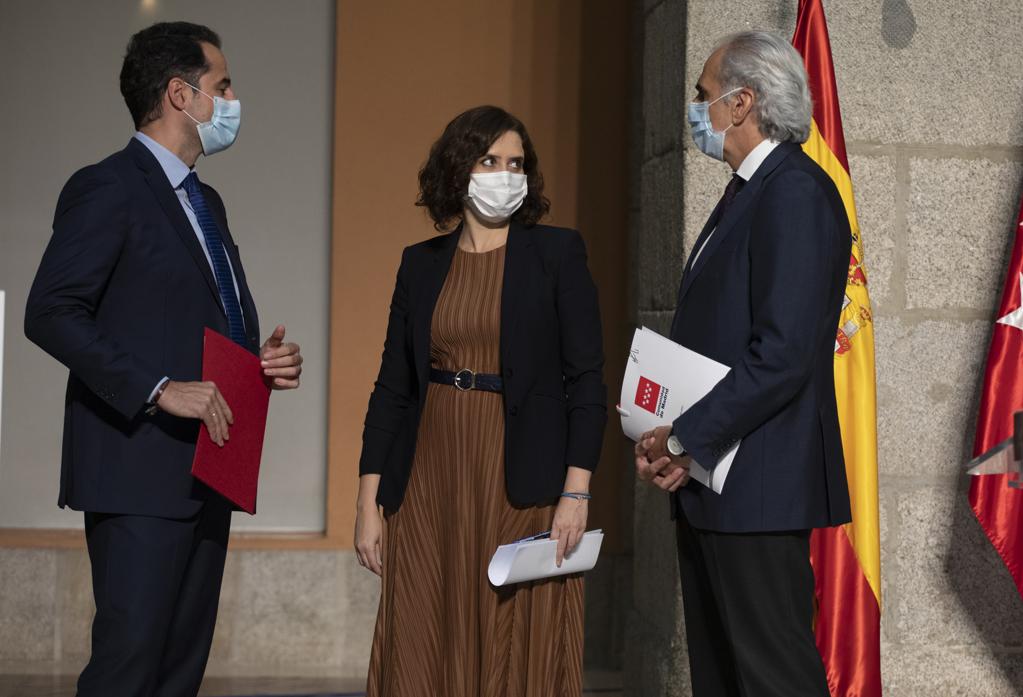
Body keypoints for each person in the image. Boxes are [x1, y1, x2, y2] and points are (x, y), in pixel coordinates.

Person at [24, 21, 303, 697]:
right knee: (129, 668)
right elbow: (50, 311)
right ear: (181, 93)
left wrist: (257, 362)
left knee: (179, 673)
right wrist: (157, 387)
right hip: (138, 471)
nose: (234, 100)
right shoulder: (108, 187)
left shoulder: (207, 201)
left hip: (209, 468)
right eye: (223, 85)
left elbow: (193, 318)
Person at [354, 105, 607, 697]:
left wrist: (576, 491)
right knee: (422, 634)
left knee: (513, 642)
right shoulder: (419, 265)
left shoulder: (557, 253)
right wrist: (369, 501)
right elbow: (393, 386)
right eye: (490, 159)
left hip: (522, 478)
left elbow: (587, 381)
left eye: (515, 163)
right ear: (457, 168)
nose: (504, 174)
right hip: (429, 478)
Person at [633, 30, 852, 697]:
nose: (695, 111)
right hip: (715, 480)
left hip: (757, 482)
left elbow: (782, 355)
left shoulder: (795, 193)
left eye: (703, 95)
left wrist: (683, 436)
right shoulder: (744, 192)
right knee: (724, 678)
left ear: (741, 102)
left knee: (772, 678)